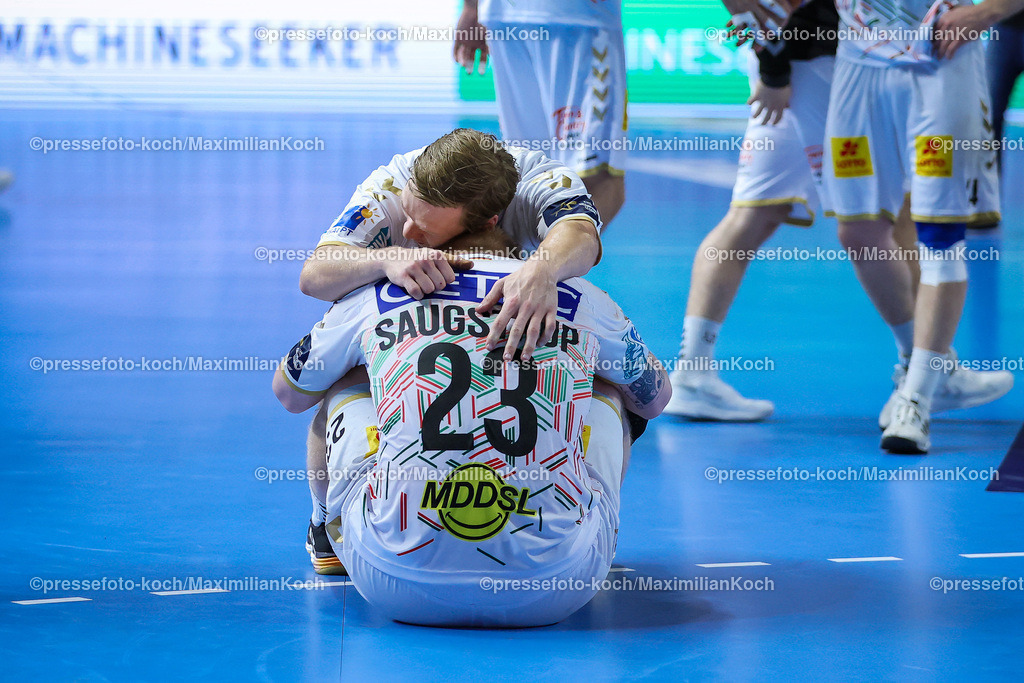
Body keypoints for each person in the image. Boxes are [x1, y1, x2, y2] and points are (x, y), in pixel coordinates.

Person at [273, 227, 671, 627]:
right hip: (557, 588)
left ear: (421, 231)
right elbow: (655, 399)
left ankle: (324, 529)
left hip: (391, 580)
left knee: (339, 380)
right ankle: (579, 530)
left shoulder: (375, 295)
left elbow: (290, 394)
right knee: (611, 388)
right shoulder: (584, 298)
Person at [296, 128, 603, 572]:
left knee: (588, 373)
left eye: (424, 229)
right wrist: (383, 260)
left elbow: (582, 235)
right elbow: (315, 275)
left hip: (504, 311)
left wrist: (541, 270)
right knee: (345, 374)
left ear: (487, 222)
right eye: (407, 213)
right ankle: (325, 524)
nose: (405, 231)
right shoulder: (391, 182)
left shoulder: (542, 179)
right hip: (412, 321)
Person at [824, 0, 1021, 453]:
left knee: (939, 237)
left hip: (942, 59)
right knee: (858, 232)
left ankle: (916, 399)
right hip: (859, 63)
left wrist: (987, 12)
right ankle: (930, 367)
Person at [454, 0, 628, 225]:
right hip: (576, 15)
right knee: (597, 180)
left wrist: (472, 6)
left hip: (504, 15)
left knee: (530, 170)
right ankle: (548, 259)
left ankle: (527, 258)